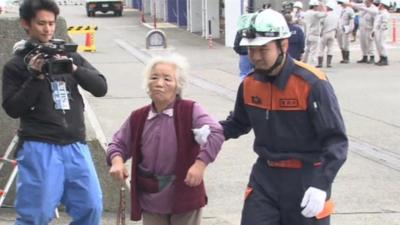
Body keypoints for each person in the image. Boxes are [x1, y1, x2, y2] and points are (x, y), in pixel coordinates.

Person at [220, 9, 348, 225]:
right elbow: (238, 123)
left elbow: (336, 141)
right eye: (251, 49)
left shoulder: (312, 84)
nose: (256, 56)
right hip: (265, 179)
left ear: (284, 45)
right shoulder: (250, 84)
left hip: (307, 178)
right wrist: (211, 130)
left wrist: (321, 184)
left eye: (263, 49)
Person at [1, 0, 107, 224]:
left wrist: (74, 68)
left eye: (51, 23)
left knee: (91, 207)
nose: (48, 29)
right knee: (36, 214)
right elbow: (12, 108)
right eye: (41, 23)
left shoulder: (69, 57)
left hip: (76, 145)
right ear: (26, 24)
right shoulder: (17, 65)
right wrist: (35, 76)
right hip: (39, 145)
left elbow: (100, 87)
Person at [106, 54, 224, 225]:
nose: (159, 83)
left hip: (185, 195)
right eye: (154, 77)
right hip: (151, 197)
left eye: (167, 79)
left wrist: (200, 164)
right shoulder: (138, 117)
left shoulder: (190, 110)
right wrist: (117, 161)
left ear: (178, 86)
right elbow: (118, 144)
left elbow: (216, 132)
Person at [302, 0, 327, 66]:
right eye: (317, 6)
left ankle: (303, 62)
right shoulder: (315, 14)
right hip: (314, 34)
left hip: (308, 33)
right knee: (313, 51)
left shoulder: (306, 13)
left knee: (306, 50)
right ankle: (312, 65)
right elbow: (325, 14)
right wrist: (323, 5)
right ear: (314, 6)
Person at [317, 1, 339, 68]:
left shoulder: (325, 15)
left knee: (321, 48)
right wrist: (336, 33)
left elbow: (321, 24)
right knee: (330, 48)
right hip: (332, 33)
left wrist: (320, 32)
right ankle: (328, 63)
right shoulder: (336, 16)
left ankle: (320, 63)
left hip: (325, 33)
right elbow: (338, 26)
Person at [371, 0, 390, 66]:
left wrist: (380, 30)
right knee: (378, 45)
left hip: (382, 31)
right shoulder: (379, 13)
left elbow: (384, 23)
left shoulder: (385, 13)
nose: (379, 5)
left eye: (380, 4)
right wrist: (374, 31)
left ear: (383, 5)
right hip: (377, 31)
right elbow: (376, 23)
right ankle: (381, 58)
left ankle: (385, 59)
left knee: (382, 45)